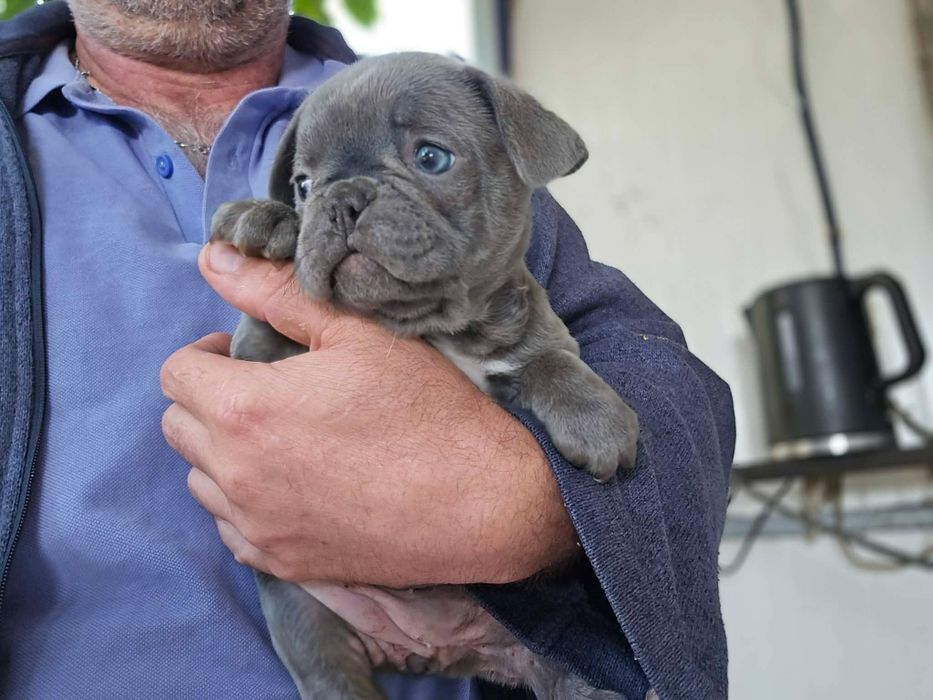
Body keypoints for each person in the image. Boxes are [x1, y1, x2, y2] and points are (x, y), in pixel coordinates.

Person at [0, 1, 735, 698]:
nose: (345, 204)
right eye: (311, 185)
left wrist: (526, 503)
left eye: (424, 159)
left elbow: (672, 386)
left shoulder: (423, 95)